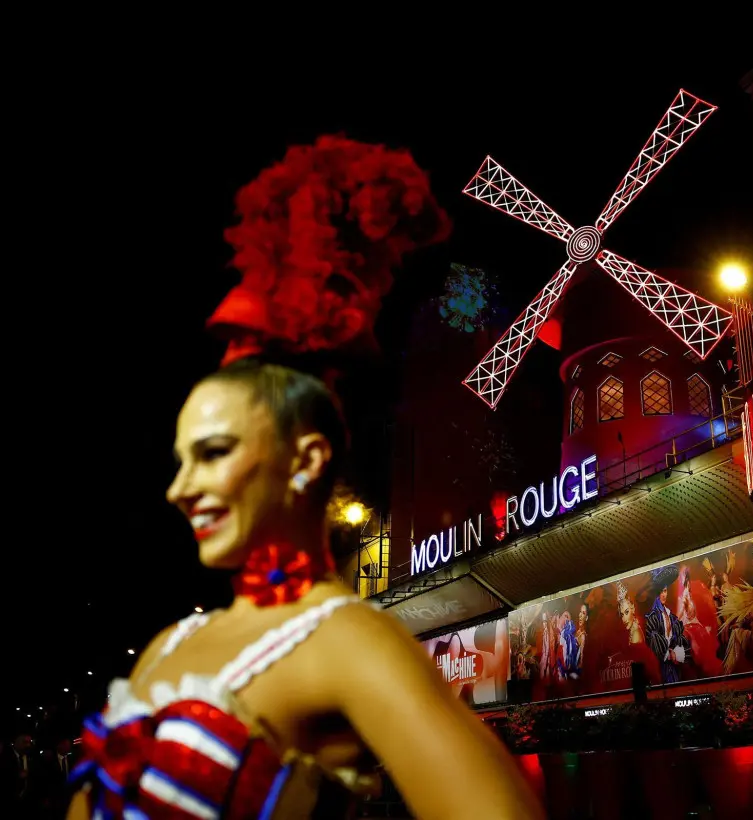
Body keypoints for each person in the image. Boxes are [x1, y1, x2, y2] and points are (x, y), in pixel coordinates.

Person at [67, 136, 543, 820]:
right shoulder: (171, 646)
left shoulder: (346, 639)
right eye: (180, 460)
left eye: (214, 452)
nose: (180, 488)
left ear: (307, 460)